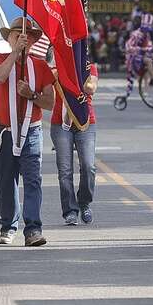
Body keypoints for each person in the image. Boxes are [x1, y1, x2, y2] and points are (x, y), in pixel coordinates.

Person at [0, 19, 56, 246]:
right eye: (17, 35)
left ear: (34, 41)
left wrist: (32, 95)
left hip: (32, 131)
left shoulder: (40, 66)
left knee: (32, 180)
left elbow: (50, 102)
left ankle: (33, 229)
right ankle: (8, 225)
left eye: (26, 36)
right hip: (4, 131)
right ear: (9, 39)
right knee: (6, 180)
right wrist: (15, 54)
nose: (22, 39)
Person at [49, 53, 99, 226]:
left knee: (88, 166)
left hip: (85, 122)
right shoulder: (54, 70)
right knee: (65, 170)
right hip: (60, 123)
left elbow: (91, 87)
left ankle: (84, 202)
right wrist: (57, 74)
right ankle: (70, 210)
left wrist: (74, 76)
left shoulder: (88, 68)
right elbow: (46, 92)